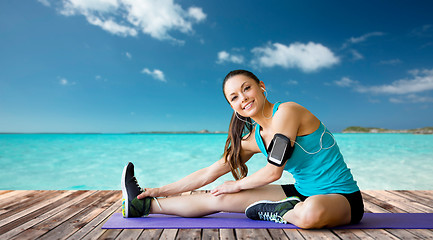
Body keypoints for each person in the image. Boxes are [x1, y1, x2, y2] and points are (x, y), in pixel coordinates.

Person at [121, 69, 364, 229]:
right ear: (232, 106)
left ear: (261, 87)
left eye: (246, 89)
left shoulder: (288, 112)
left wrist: (236, 184)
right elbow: (208, 173)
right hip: (300, 192)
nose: (243, 98)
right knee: (219, 197)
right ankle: (142, 206)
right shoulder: (251, 140)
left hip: (341, 198)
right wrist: (158, 190)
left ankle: (280, 211)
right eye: (234, 97)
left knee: (311, 215)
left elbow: (273, 172)